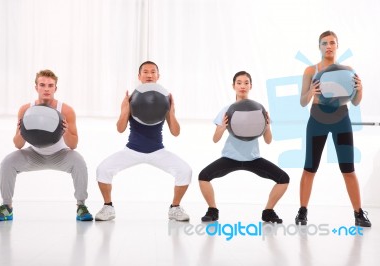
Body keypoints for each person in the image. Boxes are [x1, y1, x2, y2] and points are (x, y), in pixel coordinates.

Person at [0, 69, 93, 222]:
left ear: (55, 89)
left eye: (50, 85)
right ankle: (7, 207)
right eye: (42, 85)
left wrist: (64, 131)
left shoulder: (66, 110)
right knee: (8, 162)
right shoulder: (25, 109)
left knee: (79, 162)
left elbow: (74, 144)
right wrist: (21, 131)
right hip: (35, 154)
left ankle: (81, 206)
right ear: (36, 87)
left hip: (60, 154)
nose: (46, 89)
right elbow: (18, 145)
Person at [95, 61, 192, 221]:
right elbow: (120, 129)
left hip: (157, 151)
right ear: (139, 76)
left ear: (158, 76)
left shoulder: (164, 99)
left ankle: (175, 208)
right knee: (103, 170)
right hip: (132, 150)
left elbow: (175, 132)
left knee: (185, 171)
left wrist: (172, 112)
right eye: (145, 72)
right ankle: (108, 207)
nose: (149, 75)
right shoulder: (132, 97)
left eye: (153, 72)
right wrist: (125, 110)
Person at [295, 31, 371, 227]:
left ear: (337, 46)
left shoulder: (348, 70)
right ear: (319, 47)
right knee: (309, 167)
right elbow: (303, 102)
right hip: (317, 118)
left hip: (341, 119)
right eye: (324, 43)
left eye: (332, 43)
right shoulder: (310, 70)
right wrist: (311, 91)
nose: (328, 46)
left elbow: (355, 102)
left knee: (348, 169)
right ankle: (302, 212)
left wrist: (360, 89)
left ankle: (358, 214)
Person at [198, 71, 289, 223]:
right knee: (203, 176)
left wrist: (266, 126)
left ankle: (268, 211)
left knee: (283, 179)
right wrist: (222, 127)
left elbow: (268, 141)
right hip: (230, 158)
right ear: (233, 86)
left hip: (253, 158)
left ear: (251, 86)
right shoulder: (227, 110)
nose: (242, 86)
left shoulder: (258, 109)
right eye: (239, 83)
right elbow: (215, 139)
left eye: (246, 83)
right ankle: (212, 210)